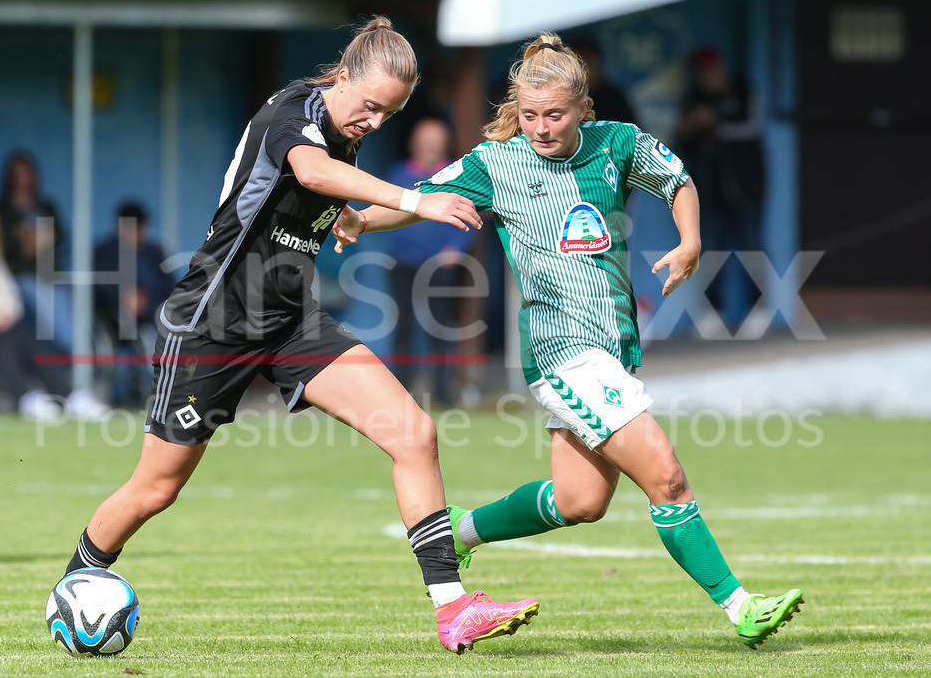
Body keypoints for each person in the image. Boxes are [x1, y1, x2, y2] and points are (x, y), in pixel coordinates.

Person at [60, 17, 538, 655]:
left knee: (414, 432)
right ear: (341, 77)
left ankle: (452, 608)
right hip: (214, 320)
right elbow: (308, 172)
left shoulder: (345, 136)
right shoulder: (295, 110)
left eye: (387, 114)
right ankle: (75, 581)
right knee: (158, 487)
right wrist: (416, 202)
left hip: (290, 320)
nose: (373, 122)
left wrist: (357, 217)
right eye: (369, 105)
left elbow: (315, 190)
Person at [333, 33, 803, 649]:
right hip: (561, 353)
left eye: (554, 115)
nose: (540, 128)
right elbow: (426, 201)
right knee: (667, 478)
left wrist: (689, 242)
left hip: (615, 348)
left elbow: (679, 180)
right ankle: (741, 607)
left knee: (581, 501)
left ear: (583, 107)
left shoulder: (619, 143)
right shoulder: (494, 162)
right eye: (529, 116)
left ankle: (460, 532)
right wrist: (364, 217)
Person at [0, 190, 108, 421]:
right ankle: (26, 398)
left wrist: (5, 312)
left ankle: (71, 396)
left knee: (28, 339)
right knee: (2, 344)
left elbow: (7, 291)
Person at [383, 118, 477, 406]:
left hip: (441, 266)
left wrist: (456, 248)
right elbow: (383, 211)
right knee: (403, 328)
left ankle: (444, 394)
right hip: (402, 263)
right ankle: (401, 394)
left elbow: (472, 216)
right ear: (414, 144)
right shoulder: (398, 173)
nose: (430, 148)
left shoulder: (455, 175)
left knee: (441, 328)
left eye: (435, 143)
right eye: (425, 142)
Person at [676, 45, 766, 334]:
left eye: (711, 70)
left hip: (746, 188)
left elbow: (751, 128)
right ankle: (712, 315)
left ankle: (759, 311)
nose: (707, 76)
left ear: (721, 67)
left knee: (751, 247)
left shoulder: (742, 90)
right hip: (708, 191)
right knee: (709, 251)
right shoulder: (693, 99)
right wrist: (690, 126)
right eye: (701, 72)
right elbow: (681, 142)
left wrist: (714, 122)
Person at [93, 201, 175, 405]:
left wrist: (146, 298)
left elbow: (170, 286)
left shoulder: (154, 252)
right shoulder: (105, 252)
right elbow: (98, 287)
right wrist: (124, 296)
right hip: (115, 318)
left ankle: (168, 389)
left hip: (156, 313)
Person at [0, 150, 76, 354]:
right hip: (20, 276)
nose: (22, 180)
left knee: (68, 306)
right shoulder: (0, 209)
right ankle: (75, 354)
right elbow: (5, 247)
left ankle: (74, 358)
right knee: (48, 313)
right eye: (17, 174)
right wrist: (33, 239)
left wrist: (33, 238)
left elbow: (59, 236)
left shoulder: (45, 205)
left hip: (51, 273)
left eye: (26, 173)